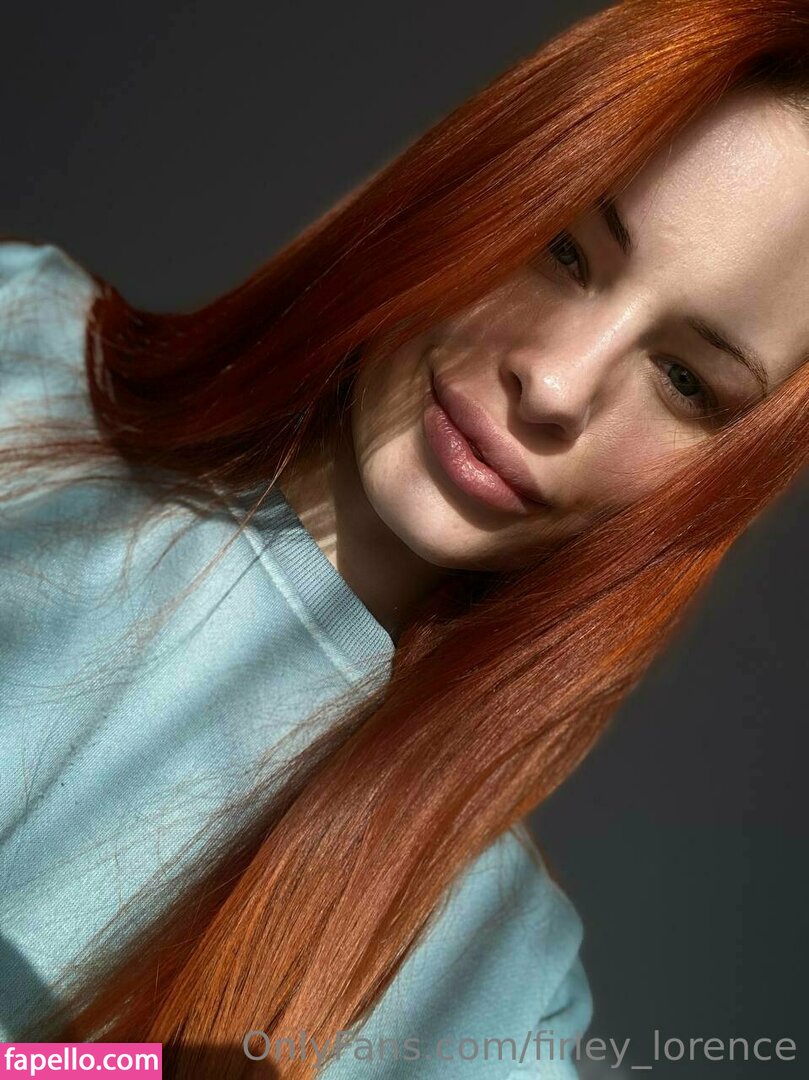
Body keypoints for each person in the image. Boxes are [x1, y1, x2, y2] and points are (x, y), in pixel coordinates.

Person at [1, 1, 808, 1077]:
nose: (554, 384)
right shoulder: (16, 346)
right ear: (478, 177)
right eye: (563, 248)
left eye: (683, 379)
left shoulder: (494, 987)